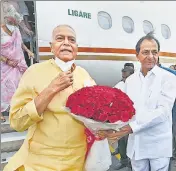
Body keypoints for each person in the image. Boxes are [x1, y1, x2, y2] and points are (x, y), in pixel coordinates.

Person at [3, 24, 96, 171]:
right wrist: (52, 88)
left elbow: (94, 117)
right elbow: (16, 121)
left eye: (71, 40)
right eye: (60, 39)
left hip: (77, 162)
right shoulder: (34, 72)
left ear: (76, 47)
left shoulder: (84, 74)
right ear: (51, 47)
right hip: (41, 163)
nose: (66, 42)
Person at [98, 32, 176, 171]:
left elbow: (162, 112)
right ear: (137, 55)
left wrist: (129, 128)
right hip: (136, 146)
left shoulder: (168, 78)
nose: (151, 57)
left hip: (157, 146)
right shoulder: (130, 81)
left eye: (154, 52)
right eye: (146, 52)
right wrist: (107, 125)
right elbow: (123, 109)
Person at [0, 2, 34, 122]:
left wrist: (28, 51)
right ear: (9, 18)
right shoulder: (1, 30)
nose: (15, 23)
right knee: (3, 87)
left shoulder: (15, 29)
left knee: (17, 86)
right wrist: (7, 61)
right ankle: (1, 111)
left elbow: (20, 44)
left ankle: (15, 110)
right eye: (14, 20)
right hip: (4, 65)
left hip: (17, 63)